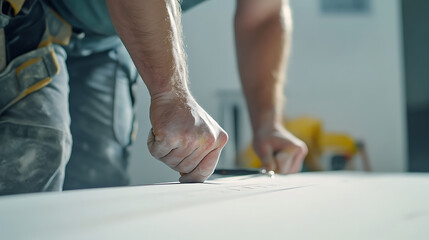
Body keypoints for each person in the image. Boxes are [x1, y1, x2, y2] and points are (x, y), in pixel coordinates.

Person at [0, 0, 307, 195]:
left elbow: (263, 15)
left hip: (104, 35)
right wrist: (171, 93)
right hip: (24, 12)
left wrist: (268, 123)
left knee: (97, 187)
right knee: (31, 169)